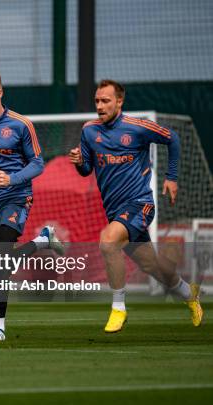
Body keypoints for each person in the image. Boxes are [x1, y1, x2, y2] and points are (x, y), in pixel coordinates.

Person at [68, 79, 203, 332]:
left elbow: (172, 138)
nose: (100, 105)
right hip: (115, 210)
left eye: (105, 100)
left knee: (108, 242)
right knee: (152, 266)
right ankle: (188, 293)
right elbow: (86, 170)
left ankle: (118, 309)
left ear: (120, 101)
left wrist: (171, 178)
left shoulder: (137, 127)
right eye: (97, 100)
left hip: (140, 203)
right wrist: (78, 161)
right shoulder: (88, 131)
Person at [0, 69, 64, 342]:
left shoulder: (21, 125)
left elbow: (38, 164)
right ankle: (42, 242)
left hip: (16, 198)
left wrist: (11, 179)